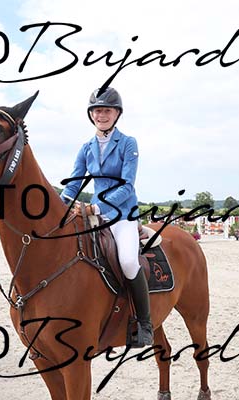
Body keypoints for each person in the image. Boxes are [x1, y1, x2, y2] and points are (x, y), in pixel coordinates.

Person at [60, 87, 153, 347]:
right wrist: (58, 207)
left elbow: (127, 185)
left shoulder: (128, 143)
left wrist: (98, 207)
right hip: (95, 216)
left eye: (107, 111)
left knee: (128, 262)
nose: (101, 115)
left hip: (122, 214)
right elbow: (74, 184)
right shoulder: (86, 148)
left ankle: (144, 323)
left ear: (116, 114)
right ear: (91, 115)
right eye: (97, 111)